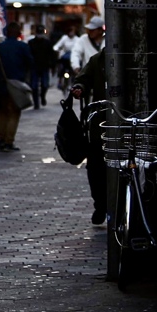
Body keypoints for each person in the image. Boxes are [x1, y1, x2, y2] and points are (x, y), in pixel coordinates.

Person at [0, 21, 34, 152]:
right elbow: (31, 63)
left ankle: (2, 140)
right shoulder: (23, 47)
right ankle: (9, 141)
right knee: (14, 113)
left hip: (1, 85)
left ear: (7, 33)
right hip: (17, 85)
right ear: (19, 33)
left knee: (2, 112)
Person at [71, 49, 107, 225]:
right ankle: (100, 205)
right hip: (101, 123)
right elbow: (83, 78)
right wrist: (80, 88)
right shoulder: (98, 60)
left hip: (128, 120)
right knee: (95, 165)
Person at [27, 24, 56, 109]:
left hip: (44, 66)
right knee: (34, 86)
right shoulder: (31, 43)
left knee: (45, 85)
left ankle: (42, 96)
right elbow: (28, 55)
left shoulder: (47, 43)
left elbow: (52, 55)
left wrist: (53, 65)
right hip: (34, 66)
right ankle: (36, 103)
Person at [53, 26, 78, 90]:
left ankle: (75, 81)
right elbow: (57, 46)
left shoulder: (77, 39)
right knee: (61, 68)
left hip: (73, 58)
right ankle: (60, 80)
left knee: (75, 69)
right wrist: (56, 49)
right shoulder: (64, 38)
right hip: (65, 58)